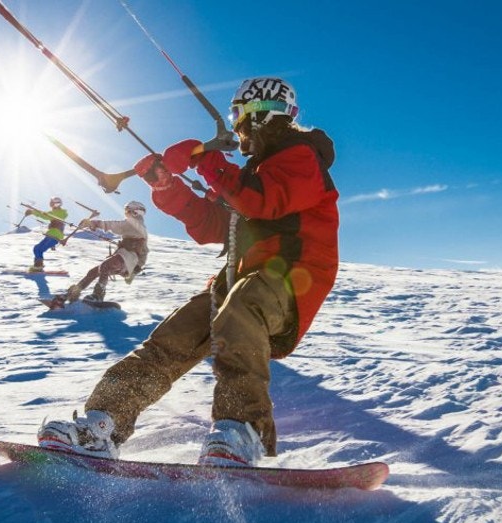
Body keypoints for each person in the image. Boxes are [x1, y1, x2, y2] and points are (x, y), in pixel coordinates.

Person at [38, 77, 339, 467]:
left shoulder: (300, 157)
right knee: (171, 339)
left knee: (241, 310)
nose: (235, 127)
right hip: (236, 279)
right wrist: (169, 189)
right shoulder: (254, 171)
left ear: (257, 114)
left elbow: (264, 200)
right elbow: (214, 225)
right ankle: (104, 423)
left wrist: (205, 160)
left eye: (237, 116)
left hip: (290, 276)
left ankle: (240, 429)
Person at [49, 201, 149, 306]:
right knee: (93, 271)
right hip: (124, 259)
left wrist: (93, 223)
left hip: (128, 259)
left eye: (128, 211)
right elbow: (143, 249)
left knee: (105, 266)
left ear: (136, 212)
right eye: (126, 211)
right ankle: (72, 294)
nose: (126, 214)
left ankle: (98, 295)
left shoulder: (135, 224)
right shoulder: (135, 226)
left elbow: (114, 225)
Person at [26, 197, 68, 272]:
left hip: (55, 237)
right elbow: (45, 215)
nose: (52, 205)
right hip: (50, 236)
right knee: (36, 248)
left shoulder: (61, 212)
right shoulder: (53, 213)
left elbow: (46, 215)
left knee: (40, 249)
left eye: (54, 203)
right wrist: (32, 212)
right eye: (51, 204)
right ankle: (38, 265)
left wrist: (33, 211)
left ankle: (39, 265)